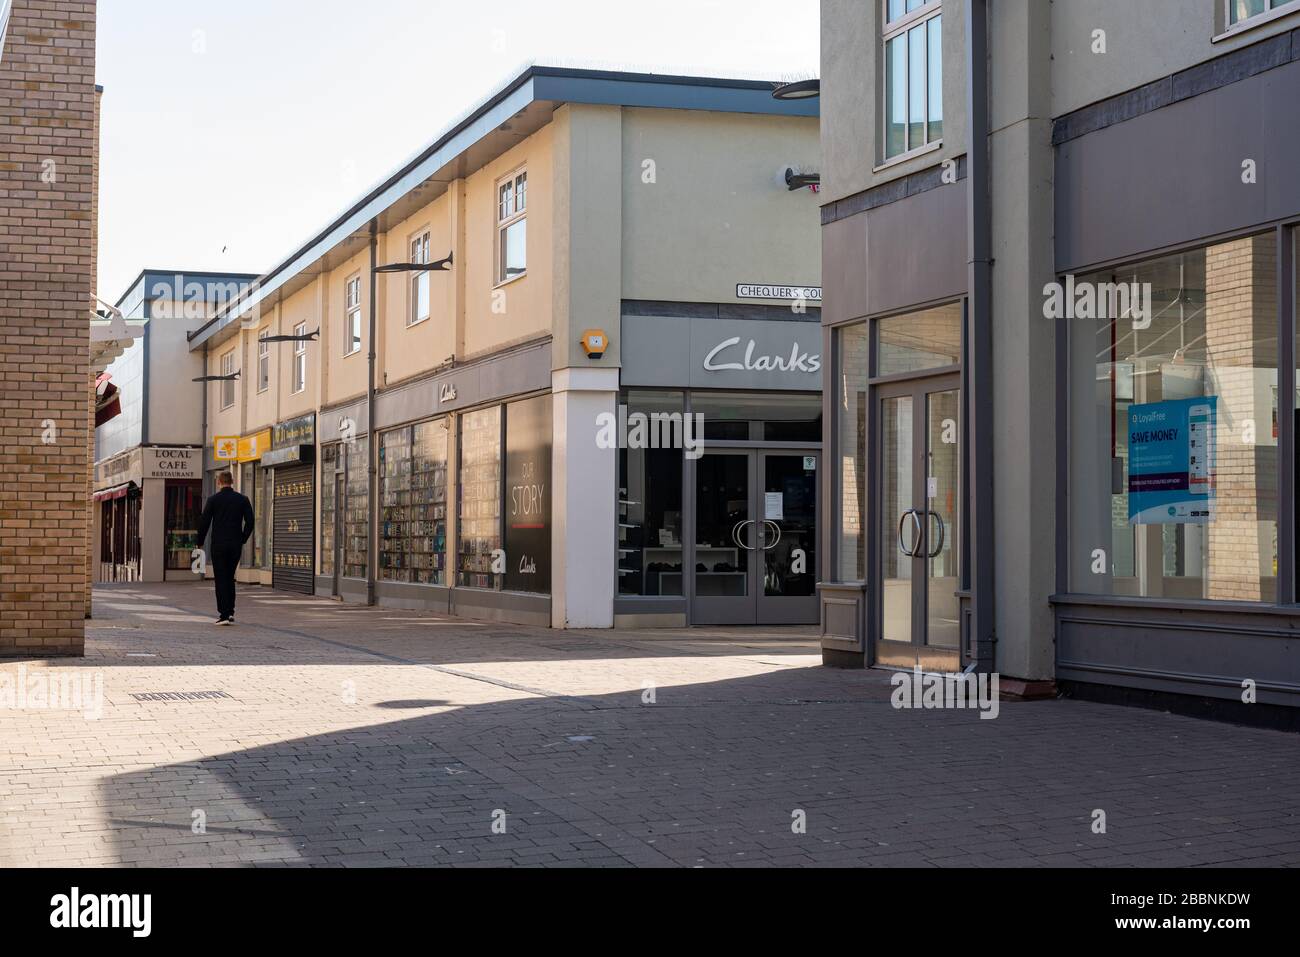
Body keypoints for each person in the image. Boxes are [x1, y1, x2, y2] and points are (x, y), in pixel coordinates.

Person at [196, 471, 255, 626]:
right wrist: (242, 538)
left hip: (219, 545)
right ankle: (230, 611)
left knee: (221, 578)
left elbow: (204, 522)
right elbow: (250, 521)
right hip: (235, 545)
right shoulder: (242, 500)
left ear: (219, 482)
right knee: (230, 577)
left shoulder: (213, 500)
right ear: (232, 481)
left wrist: (199, 541)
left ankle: (224, 613)